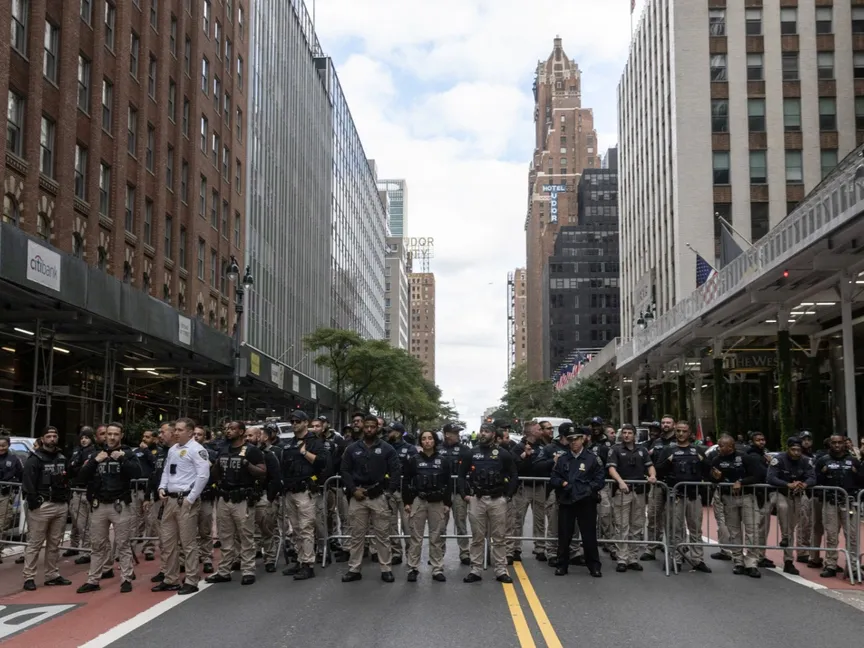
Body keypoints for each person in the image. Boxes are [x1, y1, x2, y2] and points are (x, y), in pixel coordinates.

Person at [76, 422, 142, 593]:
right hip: (99, 505)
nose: (112, 437)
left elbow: (137, 473)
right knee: (97, 545)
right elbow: (81, 477)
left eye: (115, 434)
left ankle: (126, 578)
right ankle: (93, 580)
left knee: (123, 544)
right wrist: (94, 462)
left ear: (121, 436)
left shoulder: (128, 454)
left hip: (120, 505)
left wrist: (122, 459)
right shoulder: (96, 454)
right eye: (109, 434)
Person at [205, 421, 267, 586]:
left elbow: (262, 472)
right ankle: (224, 571)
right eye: (227, 428)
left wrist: (247, 464)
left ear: (241, 432)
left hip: (243, 498)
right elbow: (215, 474)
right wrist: (216, 466)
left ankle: (248, 570)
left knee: (246, 536)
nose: (228, 431)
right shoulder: (223, 449)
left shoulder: (252, 450)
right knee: (225, 537)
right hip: (225, 497)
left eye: (232, 429)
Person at [340, 415, 400, 583]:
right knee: (356, 535)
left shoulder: (387, 449)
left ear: (377, 428)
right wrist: (353, 490)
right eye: (366, 426)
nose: (369, 429)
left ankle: (386, 568)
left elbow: (396, 471)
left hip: (379, 496)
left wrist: (389, 492)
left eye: (372, 427)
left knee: (382, 535)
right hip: (358, 496)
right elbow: (344, 470)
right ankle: (354, 569)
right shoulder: (352, 449)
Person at [154, 417, 211, 595]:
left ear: (190, 432)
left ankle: (192, 579)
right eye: (175, 430)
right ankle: (170, 578)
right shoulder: (173, 449)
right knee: (168, 542)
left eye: (180, 430)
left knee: (188, 542)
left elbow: (203, 475)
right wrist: (162, 487)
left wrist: (191, 498)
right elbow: (166, 471)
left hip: (185, 500)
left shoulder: (197, 449)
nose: (176, 433)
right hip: (170, 500)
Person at [458, 422, 517, 584]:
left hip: (497, 499)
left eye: (486, 431)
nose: (482, 434)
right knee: (477, 537)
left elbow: (513, 475)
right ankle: (475, 570)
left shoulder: (503, 454)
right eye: (481, 431)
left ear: (493, 434)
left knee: (499, 537)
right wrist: (464, 495)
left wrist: (508, 496)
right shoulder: (471, 453)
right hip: (477, 499)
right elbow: (461, 475)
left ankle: (501, 570)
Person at [657, 420, 712, 573]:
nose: (681, 434)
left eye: (684, 431)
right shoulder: (668, 450)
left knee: (696, 529)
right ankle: (675, 558)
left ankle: (697, 559)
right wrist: (667, 462)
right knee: (674, 529)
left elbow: (709, 471)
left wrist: (705, 462)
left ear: (690, 433)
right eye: (678, 431)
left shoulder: (698, 450)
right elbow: (658, 471)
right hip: (675, 495)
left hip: (694, 495)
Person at [549, 427, 605, 577]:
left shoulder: (592, 458)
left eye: (576, 439)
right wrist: (563, 484)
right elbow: (554, 477)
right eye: (571, 440)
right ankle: (562, 565)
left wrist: (586, 489)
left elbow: (600, 480)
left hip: (586, 501)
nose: (574, 442)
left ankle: (594, 565)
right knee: (564, 535)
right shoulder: (563, 459)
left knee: (589, 535)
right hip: (567, 501)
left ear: (582, 439)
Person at [21, 426, 72, 591]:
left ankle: (52, 575)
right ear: (42, 439)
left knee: (55, 543)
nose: (52, 438)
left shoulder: (62, 458)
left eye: (54, 436)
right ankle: (29, 577)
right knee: (35, 543)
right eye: (49, 436)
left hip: (60, 504)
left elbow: (68, 478)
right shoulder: (35, 459)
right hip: (43, 505)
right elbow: (28, 482)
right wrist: (35, 502)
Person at [279, 412, 328, 579]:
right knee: (296, 529)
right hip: (290, 490)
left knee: (306, 527)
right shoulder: (290, 443)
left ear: (306, 423)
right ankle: (300, 560)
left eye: (297, 421)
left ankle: (308, 564)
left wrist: (305, 453)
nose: (294, 424)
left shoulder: (315, 442)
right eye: (292, 421)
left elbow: (322, 462)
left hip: (306, 490)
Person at [709, 434, 763, 578]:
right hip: (728, 498)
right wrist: (716, 477)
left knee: (752, 531)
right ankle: (738, 561)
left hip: (747, 497)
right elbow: (712, 478)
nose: (719, 448)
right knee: (734, 532)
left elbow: (757, 475)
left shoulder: (745, 458)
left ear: (731, 446)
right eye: (719, 445)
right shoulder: (716, 460)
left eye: (722, 446)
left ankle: (752, 563)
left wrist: (742, 482)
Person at [403, 430, 452, 582]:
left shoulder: (443, 460)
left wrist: (447, 503)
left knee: (436, 536)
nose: (427, 441)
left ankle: (437, 569)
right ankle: (413, 568)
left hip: (437, 502)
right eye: (424, 439)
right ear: (420, 442)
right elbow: (406, 481)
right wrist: (407, 502)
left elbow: (448, 483)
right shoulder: (414, 460)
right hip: (419, 500)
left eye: (430, 438)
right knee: (415, 537)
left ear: (435, 441)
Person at [606, 423, 656, 572]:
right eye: (624, 432)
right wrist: (620, 481)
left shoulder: (642, 450)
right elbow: (611, 468)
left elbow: (650, 465)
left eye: (629, 433)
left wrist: (652, 475)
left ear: (635, 435)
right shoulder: (615, 449)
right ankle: (622, 558)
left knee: (637, 526)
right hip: (623, 492)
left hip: (639, 491)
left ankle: (633, 558)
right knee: (622, 526)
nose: (626, 435)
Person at [767, 436, 816, 575]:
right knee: (783, 508)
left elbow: (812, 477)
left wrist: (804, 484)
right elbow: (771, 478)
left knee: (792, 526)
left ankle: (788, 554)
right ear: (788, 449)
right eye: (793, 449)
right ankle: (786, 546)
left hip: (797, 494)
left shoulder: (805, 461)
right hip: (780, 493)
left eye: (799, 450)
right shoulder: (779, 459)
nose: (796, 452)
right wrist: (787, 484)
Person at [814, 434, 860, 578]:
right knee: (831, 535)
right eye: (834, 443)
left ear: (844, 443)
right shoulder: (823, 461)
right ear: (830, 444)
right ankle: (830, 565)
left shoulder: (853, 461)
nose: (837, 445)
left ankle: (853, 567)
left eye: (840, 442)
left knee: (852, 536)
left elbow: (861, 481)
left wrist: (856, 476)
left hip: (849, 503)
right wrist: (822, 477)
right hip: (830, 503)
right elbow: (815, 480)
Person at [438, 422, 470, 565]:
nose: (458, 435)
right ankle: (438, 553)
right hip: (442, 492)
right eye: (455, 432)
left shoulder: (464, 449)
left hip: (458, 492)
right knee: (440, 525)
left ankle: (464, 552)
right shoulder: (438, 449)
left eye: (458, 432)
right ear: (447, 434)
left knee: (461, 523)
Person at [386, 422, 417, 564]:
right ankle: (396, 553)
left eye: (390, 431)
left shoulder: (410, 449)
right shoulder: (386, 447)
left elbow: (414, 469)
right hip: (390, 490)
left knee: (407, 524)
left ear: (398, 433)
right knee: (391, 524)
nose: (387, 434)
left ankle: (411, 553)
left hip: (405, 491)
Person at [65, 427, 96, 561]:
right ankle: (77, 546)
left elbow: (86, 470)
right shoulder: (76, 451)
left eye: (87, 438)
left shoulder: (93, 452)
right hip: (76, 490)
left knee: (87, 524)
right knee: (78, 523)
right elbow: (70, 468)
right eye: (82, 438)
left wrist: (78, 468)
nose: (83, 440)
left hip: (87, 491)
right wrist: (77, 467)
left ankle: (88, 551)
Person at [193, 425, 219, 574]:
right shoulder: (183, 452)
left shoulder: (210, 453)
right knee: (189, 531)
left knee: (205, 529)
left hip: (205, 495)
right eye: (194, 434)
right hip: (189, 496)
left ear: (205, 437)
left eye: (200, 434)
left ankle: (207, 557)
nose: (196, 436)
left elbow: (215, 471)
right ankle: (192, 557)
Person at [0, 435, 24, 565]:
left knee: (2, 524)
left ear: (8, 445)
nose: (1, 448)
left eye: (3, 445)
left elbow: (21, 475)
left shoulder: (14, 459)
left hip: (5, 495)